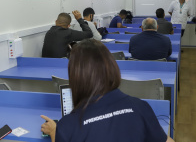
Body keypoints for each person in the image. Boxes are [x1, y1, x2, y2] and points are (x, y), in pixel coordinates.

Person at [40, 39, 174, 142]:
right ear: (111, 67)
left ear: (75, 77)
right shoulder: (140, 107)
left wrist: (54, 133)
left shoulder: (67, 127)